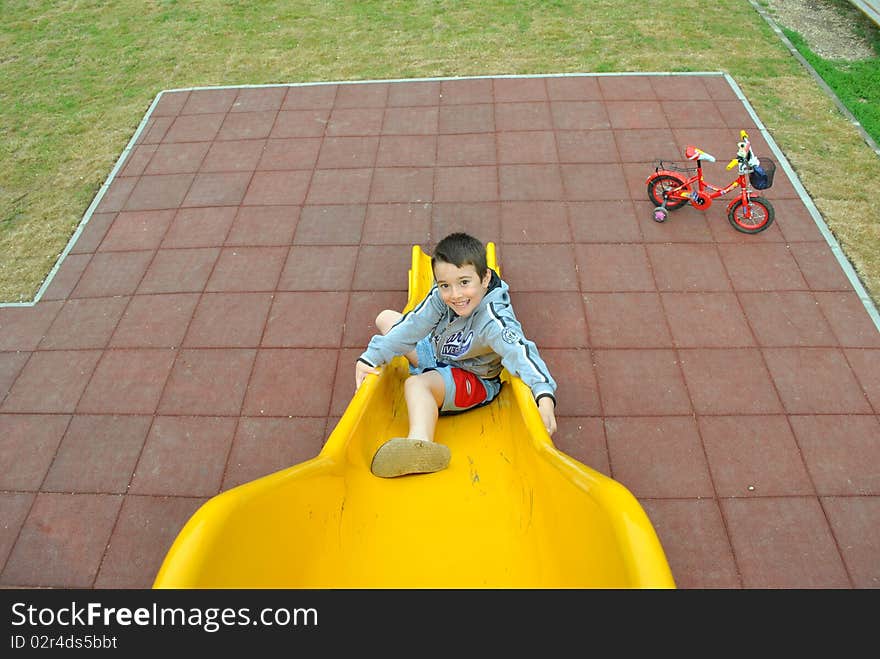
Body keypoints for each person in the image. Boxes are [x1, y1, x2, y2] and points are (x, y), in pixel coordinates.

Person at [355, 232, 558, 478]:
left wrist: (544, 395)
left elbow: (521, 353)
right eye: (445, 285)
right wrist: (370, 357)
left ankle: (420, 444)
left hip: (472, 378)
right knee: (386, 318)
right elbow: (413, 325)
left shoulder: (494, 321)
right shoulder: (442, 298)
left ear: (484, 278)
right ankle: (427, 376)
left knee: (416, 385)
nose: (456, 295)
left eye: (464, 282)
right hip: (439, 354)